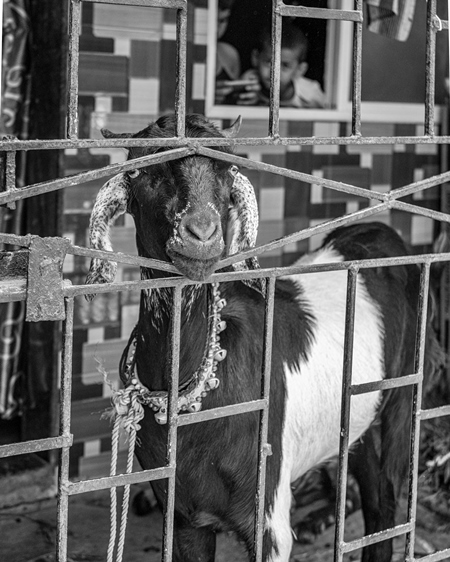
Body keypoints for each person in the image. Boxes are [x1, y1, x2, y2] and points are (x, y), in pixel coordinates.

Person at [234, 22, 326, 108]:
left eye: (285, 66)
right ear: (256, 58)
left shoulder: (310, 93)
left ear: (300, 70)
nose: (275, 72)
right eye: (269, 62)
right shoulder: (249, 82)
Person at [215, 0, 242, 104]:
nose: (217, 27)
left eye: (222, 20)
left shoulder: (230, 54)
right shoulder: (185, 50)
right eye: (213, 20)